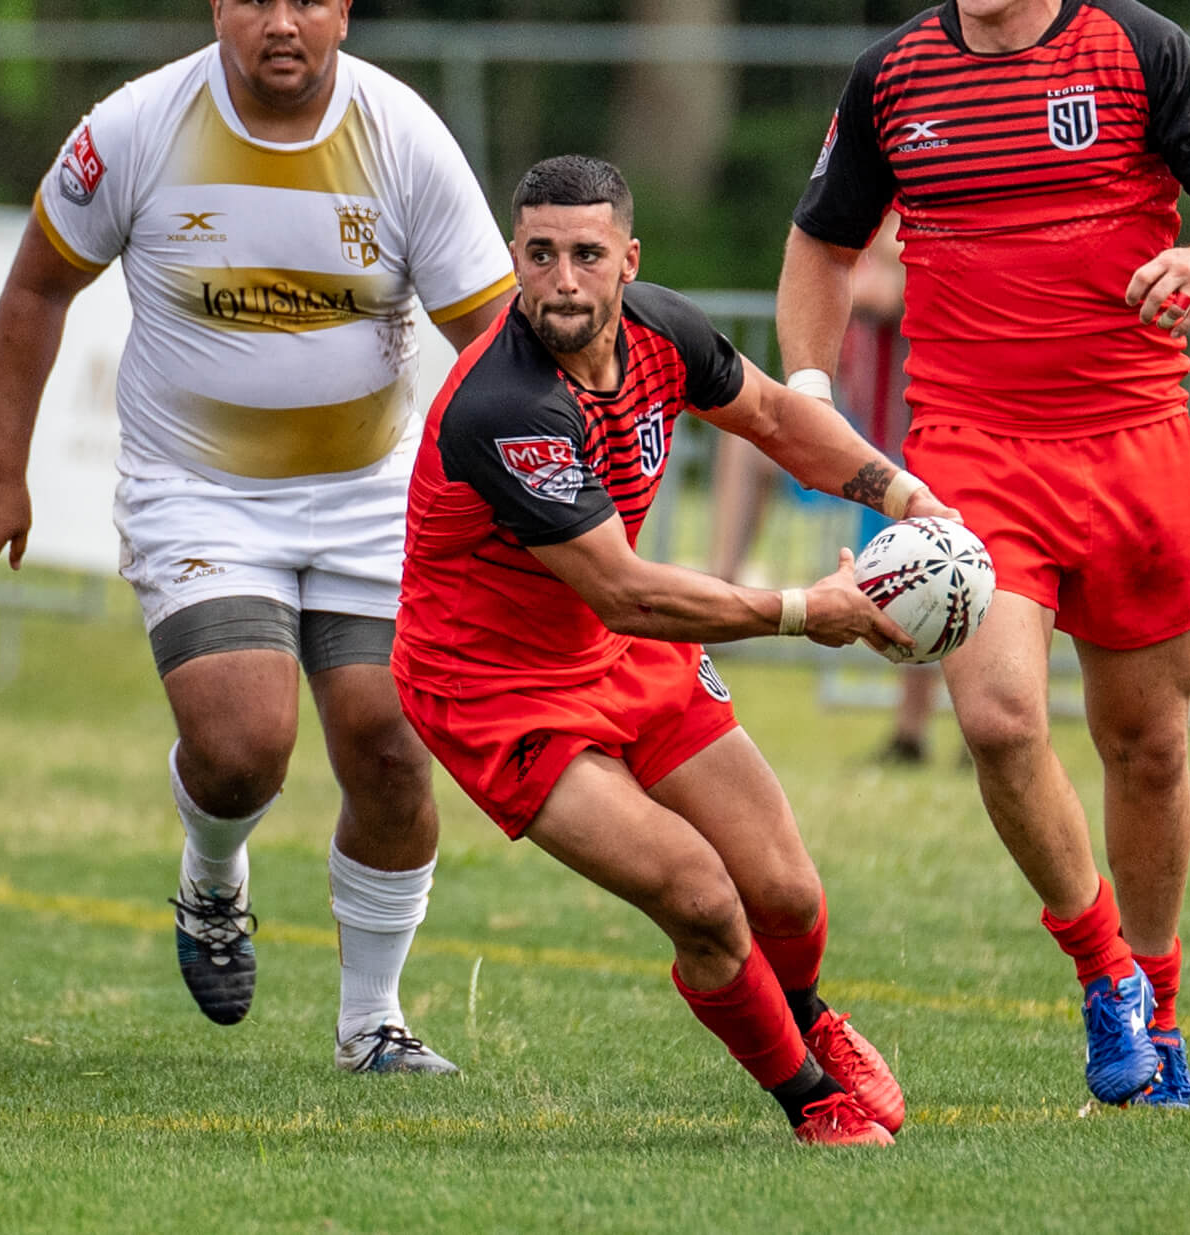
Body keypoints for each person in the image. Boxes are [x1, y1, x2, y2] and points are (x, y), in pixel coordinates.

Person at [0, 0, 516, 1074]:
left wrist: (525, 503)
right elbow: (35, 287)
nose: (282, 22)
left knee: (391, 747)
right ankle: (212, 879)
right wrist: (2, 473)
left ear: (343, 9)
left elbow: (494, 337)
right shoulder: (137, 128)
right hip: (197, 493)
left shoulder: (404, 136)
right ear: (218, 8)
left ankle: (371, 1024)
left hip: (370, 494)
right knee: (245, 745)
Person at [778, 0, 1190, 1109]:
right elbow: (823, 243)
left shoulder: (1138, 47)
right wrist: (815, 404)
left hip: (1137, 446)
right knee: (1000, 719)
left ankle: (1161, 1013)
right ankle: (1104, 969)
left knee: (1148, 744)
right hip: (971, 454)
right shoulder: (895, 74)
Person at [392, 155, 959, 1146]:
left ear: (627, 260)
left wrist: (908, 498)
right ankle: (808, 1096)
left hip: (615, 646)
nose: (561, 277)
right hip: (495, 686)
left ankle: (809, 1012)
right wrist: (802, 607)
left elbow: (780, 417)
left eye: (585, 253)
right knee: (701, 897)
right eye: (538, 253)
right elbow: (626, 585)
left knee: (784, 890)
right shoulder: (503, 405)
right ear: (513, 258)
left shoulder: (663, 327)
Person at [708, 213, 941, 764]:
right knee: (743, 444)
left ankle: (912, 733)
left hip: (913, 447)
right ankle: (723, 583)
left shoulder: (920, 230)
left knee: (930, 581)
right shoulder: (868, 221)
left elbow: (881, 290)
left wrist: (848, 266)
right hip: (857, 438)